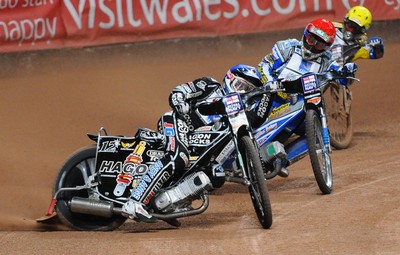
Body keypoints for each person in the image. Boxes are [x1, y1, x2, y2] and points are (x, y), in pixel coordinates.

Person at [121, 77, 224, 223]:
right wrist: (181, 103)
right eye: (241, 84)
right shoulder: (210, 84)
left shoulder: (233, 115)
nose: (242, 90)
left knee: (216, 174)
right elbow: (178, 91)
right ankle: (135, 201)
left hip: (192, 142)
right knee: (178, 157)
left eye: (247, 88)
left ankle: (169, 205)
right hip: (176, 121)